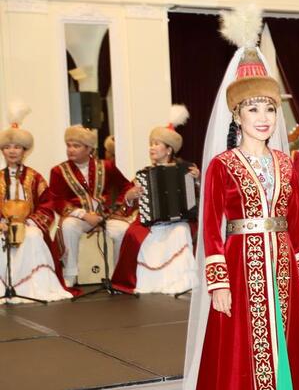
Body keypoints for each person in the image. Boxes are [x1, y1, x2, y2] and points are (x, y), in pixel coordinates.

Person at [184, 6, 299, 390]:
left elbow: (298, 223)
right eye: (252, 108)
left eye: (269, 108)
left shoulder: (286, 163)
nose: (263, 117)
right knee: (241, 352)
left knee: (285, 346)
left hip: (283, 267)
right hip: (240, 267)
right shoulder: (222, 166)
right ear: (236, 115)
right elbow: (210, 227)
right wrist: (218, 282)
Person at [111, 105, 199, 294]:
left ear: (169, 150)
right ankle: (146, 282)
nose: (151, 147)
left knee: (181, 231)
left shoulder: (187, 170)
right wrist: (130, 197)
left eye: (157, 144)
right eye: (151, 143)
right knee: (134, 235)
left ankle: (181, 281)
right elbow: (125, 202)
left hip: (178, 220)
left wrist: (198, 181)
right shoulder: (144, 174)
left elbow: (199, 199)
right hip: (151, 223)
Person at [0, 103, 76, 302]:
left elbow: (47, 205)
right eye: (7, 147)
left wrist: (28, 223)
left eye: (17, 147)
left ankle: (32, 287)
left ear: (24, 151)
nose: (12, 151)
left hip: (29, 225)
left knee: (33, 237)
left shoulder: (35, 178)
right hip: (3, 226)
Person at [48, 125, 135, 287]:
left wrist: (117, 206)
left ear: (89, 149)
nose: (71, 150)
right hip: (79, 218)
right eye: (68, 145)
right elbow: (57, 200)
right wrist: (84, 215)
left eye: (76, 146)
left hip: (105, 216)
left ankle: (118, 274)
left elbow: (126, 186)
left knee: (123, 230)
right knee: (68, 226)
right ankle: (70, 274)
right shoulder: (58, 171)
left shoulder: (107, 166)